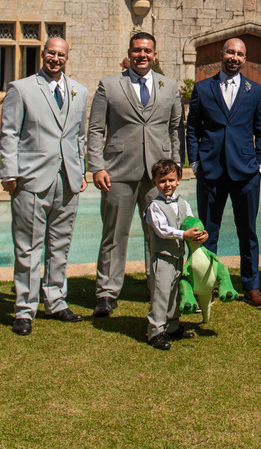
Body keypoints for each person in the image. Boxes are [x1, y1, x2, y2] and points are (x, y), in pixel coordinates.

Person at [88, 32, 184, 317]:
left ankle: (158, 286)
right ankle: (107, 291)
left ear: (155, 55)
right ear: (129, 53)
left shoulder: (169, 86)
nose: (142, 55)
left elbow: (177, 128)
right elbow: (95, 130)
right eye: (137, 51)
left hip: (158, 175)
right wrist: (97, 165)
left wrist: (176, 167)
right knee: (114, 234)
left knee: (158, 233)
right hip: (118, 171)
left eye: (147, 51)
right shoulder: (109, 85)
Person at [0, 37, 89, 335]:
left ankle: (56, 300)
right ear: (42, 54)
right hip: (31, 179)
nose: (56, 58)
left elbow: (78, 136)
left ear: (67, 57)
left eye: (61, 54)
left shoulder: (79, 91)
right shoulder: (21, 89)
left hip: (68, 179)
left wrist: (81, 170)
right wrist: (9, 174)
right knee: (28, 247)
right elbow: (9, 133)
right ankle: (25, 308)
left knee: (60, 246)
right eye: (51, 53)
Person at [185, 38, 261, 309]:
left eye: (240, 54)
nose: (234, 57)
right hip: (211, 170)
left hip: (246, 172)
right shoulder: (202, 88)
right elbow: (192, 129)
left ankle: (251, 286)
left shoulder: (255, 90)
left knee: (249, 231)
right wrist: (195, 162)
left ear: (245, 59)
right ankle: (206, 286)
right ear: (221, 54)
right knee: (208, 231)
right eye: (230, 52)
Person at [144, 158, 207, 350]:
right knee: (161, 294)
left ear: (179, 180)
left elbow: (190, 222)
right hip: (162, 257)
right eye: (162, 181)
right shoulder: (154, 206)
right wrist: (183, 234)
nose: (167, 185)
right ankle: (156, 330)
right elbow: (162, 230)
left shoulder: (183, 203)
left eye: (171, 180)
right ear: (154, 182)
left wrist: (201, 233)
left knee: (174, 293)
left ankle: (172, 326)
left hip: (178, 257)